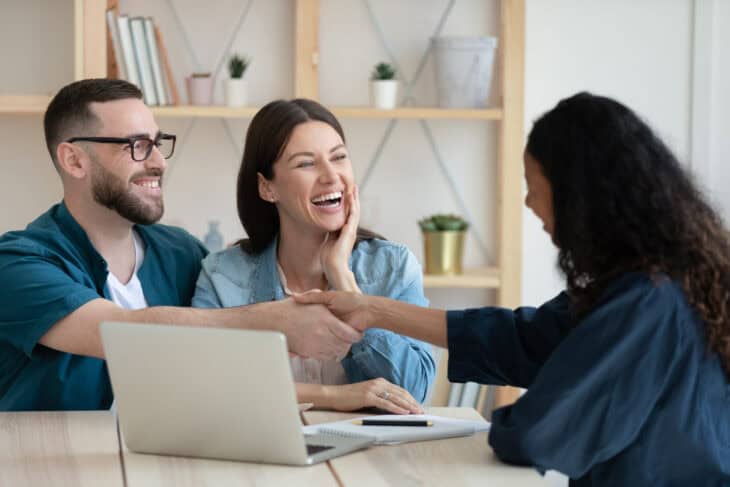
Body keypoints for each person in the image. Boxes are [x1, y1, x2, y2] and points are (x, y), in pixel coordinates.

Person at [294, 92, 730, 484]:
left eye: (533, 186)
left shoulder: (646, 301)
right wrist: (373, 310)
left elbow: (536, 434)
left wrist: (498, 422)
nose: (528, 202)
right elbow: (523, 337)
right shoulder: (647, 283)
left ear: (577, 194)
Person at [0, 79, 361, 411]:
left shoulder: (181, 253)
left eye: (157, 144)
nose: (159, 162)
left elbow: (225, 372)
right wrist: (272, 320)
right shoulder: (18, 264)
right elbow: (117, 331)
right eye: (137, 146)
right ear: (74, 160)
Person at [193, 99, 435, 414]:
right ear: (267, 188)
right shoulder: (222, 277)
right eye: (306, 163)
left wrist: (341, 276)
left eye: (339, 158)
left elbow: (413, 393)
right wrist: (332, 396)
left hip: (374, 459)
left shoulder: (393, 268)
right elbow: (207, 387)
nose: (331, 176)